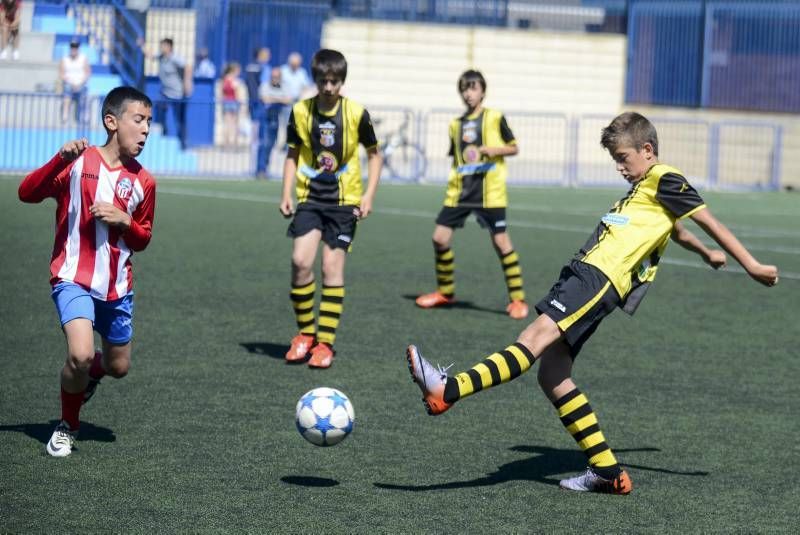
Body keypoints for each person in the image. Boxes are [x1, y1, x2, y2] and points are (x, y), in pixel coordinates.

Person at [405, 111, 779, 494]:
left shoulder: (665, 176)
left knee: (533, 338)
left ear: (647, 150)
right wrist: (704, 253)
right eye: (615, 160)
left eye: (623, 158)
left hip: (598, 276)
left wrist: (749, 264)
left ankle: (448, 390)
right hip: (588, 274)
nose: (619, 167)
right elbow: (679, 228)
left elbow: (707, 219)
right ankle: (607, 471)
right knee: (553, 374)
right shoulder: (648, 186)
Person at [18, 86, 156, 458]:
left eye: (149, 123)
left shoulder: (144, 182)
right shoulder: (77, 162)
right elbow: (26, 193)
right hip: (72, 278)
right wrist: (56, 160)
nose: (145, 130)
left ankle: (92, 374)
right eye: (138, 120)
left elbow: (142, 240)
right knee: (79, 355)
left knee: (118, 366)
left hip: (117, 287)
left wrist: (125, 220)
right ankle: (68, 425)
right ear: (111, 122)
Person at [279, 48, 382, 369]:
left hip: (344, 202)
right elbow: (292, 155)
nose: (328, 87)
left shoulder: (356, 113)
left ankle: (325, 344)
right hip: (310, 198)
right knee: (299, 262)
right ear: (316, 79)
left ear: (342, 81)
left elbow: (375, 155)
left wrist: (368, 195)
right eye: (323, 81)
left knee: (331, 269)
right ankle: (305, 334)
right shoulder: (299, 112)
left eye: (334, 81)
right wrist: (285, 192)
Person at [415, 70, 528, 319]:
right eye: (465, 88)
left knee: (501, 242)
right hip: (461, 192)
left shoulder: (495, 117)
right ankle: (445, 292)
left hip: (489, 192)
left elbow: (514, 147)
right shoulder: (455, 125)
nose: (468, 93)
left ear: (483, 92)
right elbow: (456, 158)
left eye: (473, 88)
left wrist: (493, 149)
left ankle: (518, 299)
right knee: (439, 238)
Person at [143, 37, 191, 148]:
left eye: (163, 46)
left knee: (179, 119)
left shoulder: (175, 58)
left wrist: (187, 83)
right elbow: (150, 56)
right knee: (160, 114)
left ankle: (183, 143)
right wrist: (143, 45)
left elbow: (188, 66)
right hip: (165, 93)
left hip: (178, 94)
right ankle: (164, 137)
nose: (161, 48)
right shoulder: (161, 57)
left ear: (169, 47)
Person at [256, 66, 290, 177]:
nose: (274, 79)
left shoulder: (285, 86)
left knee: (271, 144)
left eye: (277, 77)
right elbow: (265, 99)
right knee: (264, 143)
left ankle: (265, 168)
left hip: (278, 119)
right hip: (266, 119)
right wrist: (279, 100)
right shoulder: (265, 86)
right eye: (273, 77)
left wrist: (273, 99)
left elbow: (288, 100)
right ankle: (261, 169)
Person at [59, 40, 91, 124]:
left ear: (78, 48)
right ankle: (65, 117)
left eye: (76, 47)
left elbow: (87, 73)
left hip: (81, 84)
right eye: (72, 47)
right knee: (67, 92)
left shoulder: (83, 58)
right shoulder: (65, 59)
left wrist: (80, 83)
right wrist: (70, 83)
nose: (74, 49)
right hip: (69, 84)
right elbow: (61, 74)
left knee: (84, 94)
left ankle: (85, 117)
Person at [220, 62, 243, 148]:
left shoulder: (224, 79)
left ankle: (226, 142)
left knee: (227, 123)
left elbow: (222, 92)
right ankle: (234, 143)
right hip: (233, 102)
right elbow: (237, 93)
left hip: (226, 102)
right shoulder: (234, 80)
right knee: (234, 124)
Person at [244, 47, 270, 122]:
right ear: (260, 55)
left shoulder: (265, 67)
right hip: (258, 100)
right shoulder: (254, 67)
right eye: (266, 55)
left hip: (268, 99)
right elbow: (252, 84)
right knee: (256, 122)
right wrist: (256, 97)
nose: (268, 56)